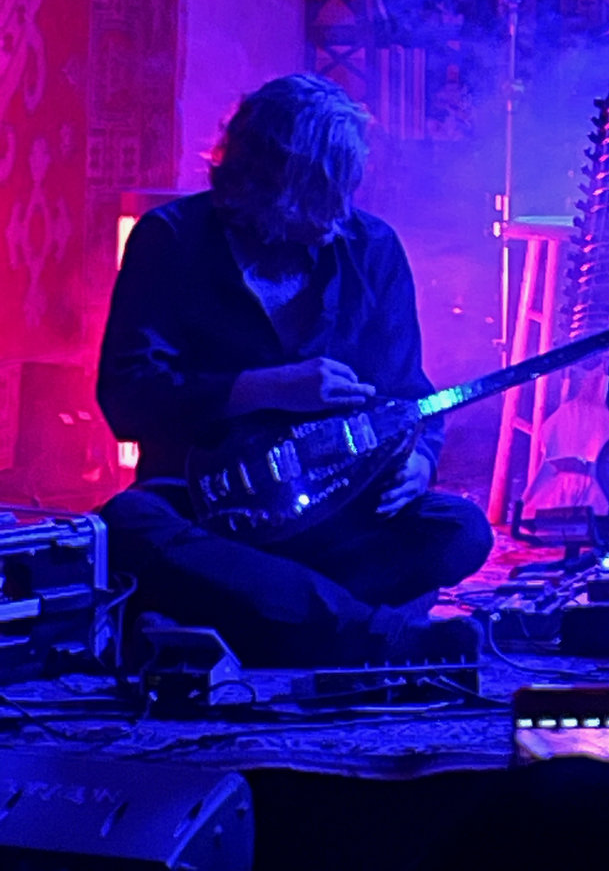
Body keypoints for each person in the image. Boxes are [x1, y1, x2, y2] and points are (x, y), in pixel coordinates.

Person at [96, 73, 493, 668]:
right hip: (208, 510)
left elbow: (411, 395)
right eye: (325, 190)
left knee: (460, 528)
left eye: (348, 188)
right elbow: (126, 395)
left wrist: (421, 460)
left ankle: (263, 614)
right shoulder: (170, 240)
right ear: (269, 178)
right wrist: (261, 388)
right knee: (128, 524)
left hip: (337, 516)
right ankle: (371, 634)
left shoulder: (372, 247)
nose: (342, 210)